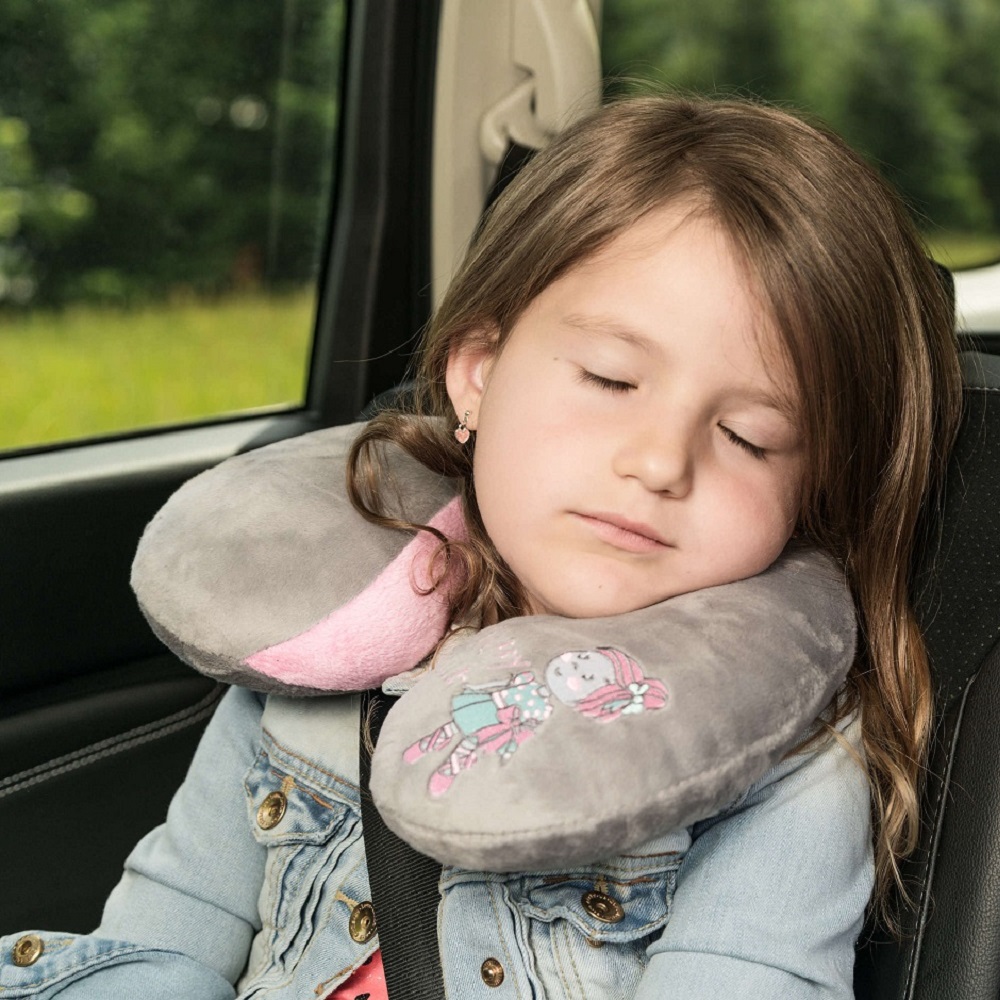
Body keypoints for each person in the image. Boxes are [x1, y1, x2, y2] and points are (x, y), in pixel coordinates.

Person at [2, 94, 961, 999]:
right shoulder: (326, 639)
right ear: (476, 373)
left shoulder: (771, 757)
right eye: (610, 379)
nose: (661, 461)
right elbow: (170, 930)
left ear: (811, 493)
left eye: (750, 437)